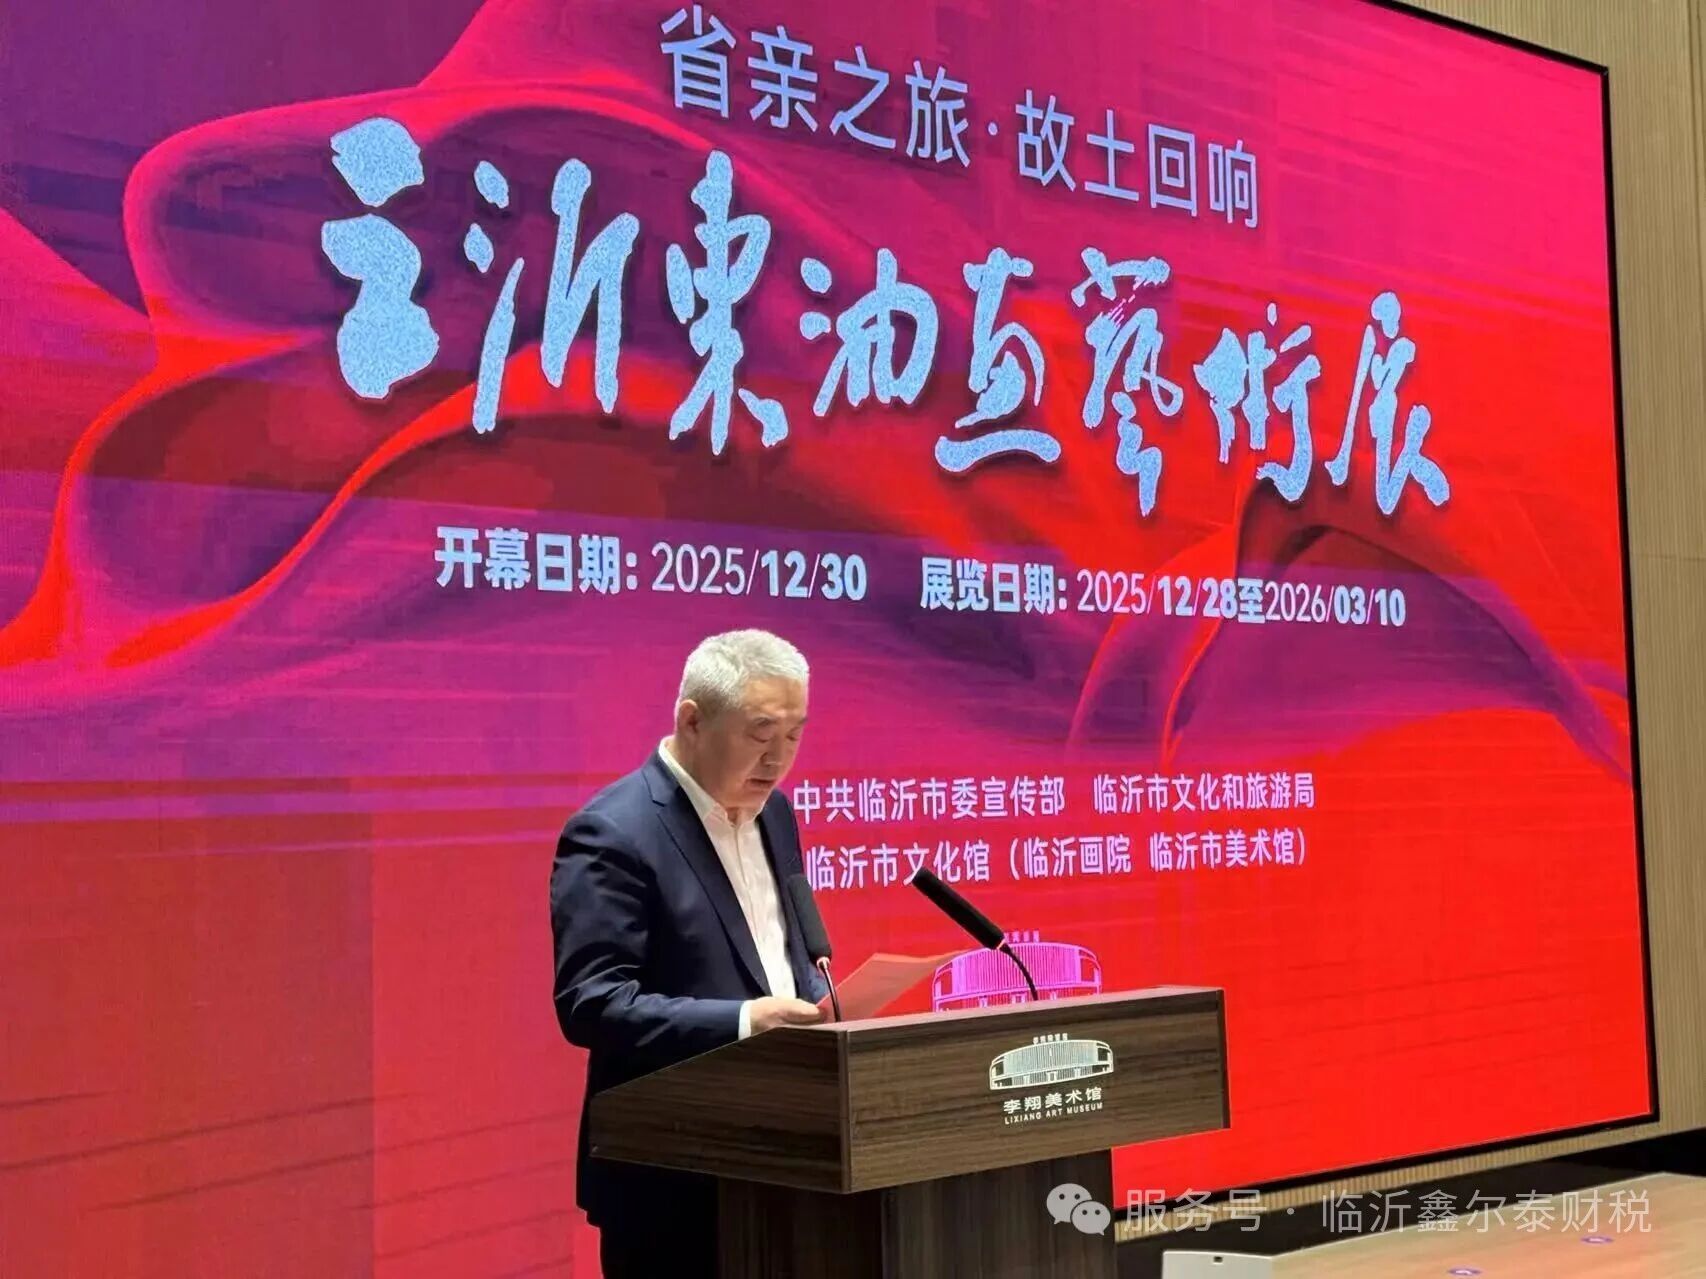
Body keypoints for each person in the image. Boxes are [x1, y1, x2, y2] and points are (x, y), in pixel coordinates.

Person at [550, 629, 828, 1277]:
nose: (779, 758)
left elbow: (779, 951)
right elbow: (591, 1003)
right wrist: (744, 1021)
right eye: (761, 733)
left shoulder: (776, 814)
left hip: (785, 1160)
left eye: (795, 735)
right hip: (668, 1175)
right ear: (692, 720)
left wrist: (818, 1001)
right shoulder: (613, 832)